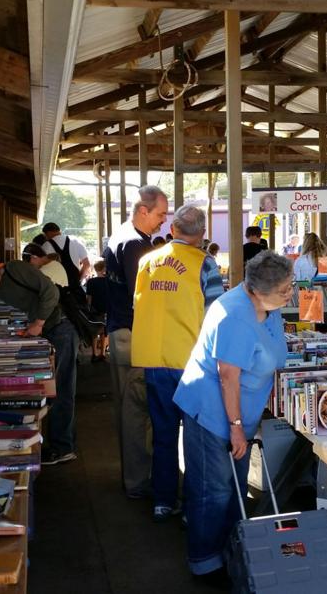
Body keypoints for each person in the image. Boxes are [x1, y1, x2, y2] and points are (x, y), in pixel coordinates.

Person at [173, 252, 294, 579]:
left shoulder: (267, 307)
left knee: (234, 488)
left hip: (238, 412)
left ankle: (231, 554)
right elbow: (228, 376)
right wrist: (237, 427)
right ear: (258, 289)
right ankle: (205, 561)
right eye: (285, 290)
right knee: (214, 490)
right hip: (214, 412)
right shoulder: (235, 316)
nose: (290, 294)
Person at [131, 204, 224, 522]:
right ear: (202, 234)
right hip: (191, 361)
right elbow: (216, 316)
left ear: (172, 229)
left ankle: (163, 500)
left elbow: (138, 306)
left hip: (153, 358)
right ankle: (193, 506)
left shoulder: (147, 262)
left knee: (163, 433)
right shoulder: (205, 263)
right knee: (196, 438)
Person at [0, 261, 78, 465]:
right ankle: (57, 443)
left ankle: (63, 448)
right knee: (56, 388)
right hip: (50, 329)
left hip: (62, 326)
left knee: (62, 389)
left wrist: (38, 323)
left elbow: (50, 292)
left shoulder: (15, 270)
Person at [103, 185, 170, 498]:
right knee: (138, 413)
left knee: (130, 411)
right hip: (134, 336)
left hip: (121, 332)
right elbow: (141, 296)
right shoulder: (134, 245)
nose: (163, 221)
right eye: (160, 214)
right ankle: (139, 482)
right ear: (143, 210)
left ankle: (135, 478)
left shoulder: (121, 236)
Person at [35, 222, 91, 290]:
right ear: (59, 231)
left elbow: (41, 267)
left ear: (48, 233)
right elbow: (87, 264)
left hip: (56, 288)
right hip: (74, 288)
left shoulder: (46, 246)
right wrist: (79, 279)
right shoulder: (75, 241)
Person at [85, 260, 110, 361]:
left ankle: (94, 353)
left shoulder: (91, 282)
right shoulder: (109, 281)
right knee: (105, 331)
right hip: (107, 308)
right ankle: (103, 353)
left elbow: (89, 298)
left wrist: (88, 308)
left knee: (94, 332)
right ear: (104, 268)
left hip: (95, 309)